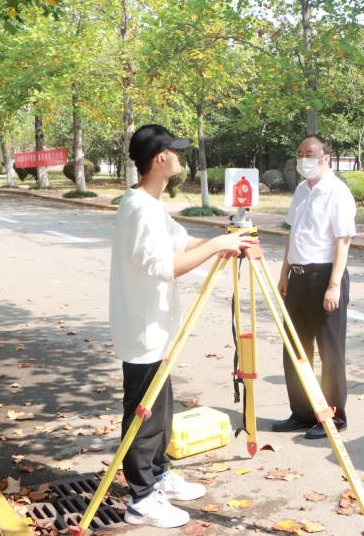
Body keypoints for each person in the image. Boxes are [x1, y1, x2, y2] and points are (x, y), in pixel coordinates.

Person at [110, 123, 254, 529]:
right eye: (176, 151)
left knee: (161, 411)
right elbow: (164, 267)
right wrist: (220, 246)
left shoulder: (150, 203)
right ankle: (141, 498)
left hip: (156, 326)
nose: (180, 158)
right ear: (161, 159)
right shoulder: (139, 208)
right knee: (144, 416)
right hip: (143, 328)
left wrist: (227, 239)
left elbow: (181, 242)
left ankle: (158, 474)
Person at [272, 134, 356, 440]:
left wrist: (333, 286)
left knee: (330, 352)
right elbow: (292, 234)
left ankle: (334, 416)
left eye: (309, 153)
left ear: (325, 158)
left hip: (324, 276)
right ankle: (302, 412)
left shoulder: (337, 192)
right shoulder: (301, 190)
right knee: (295, 348)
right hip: (298, 276)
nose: (303, 159)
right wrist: (284, 272)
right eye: (299, 153)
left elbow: (343, 241)